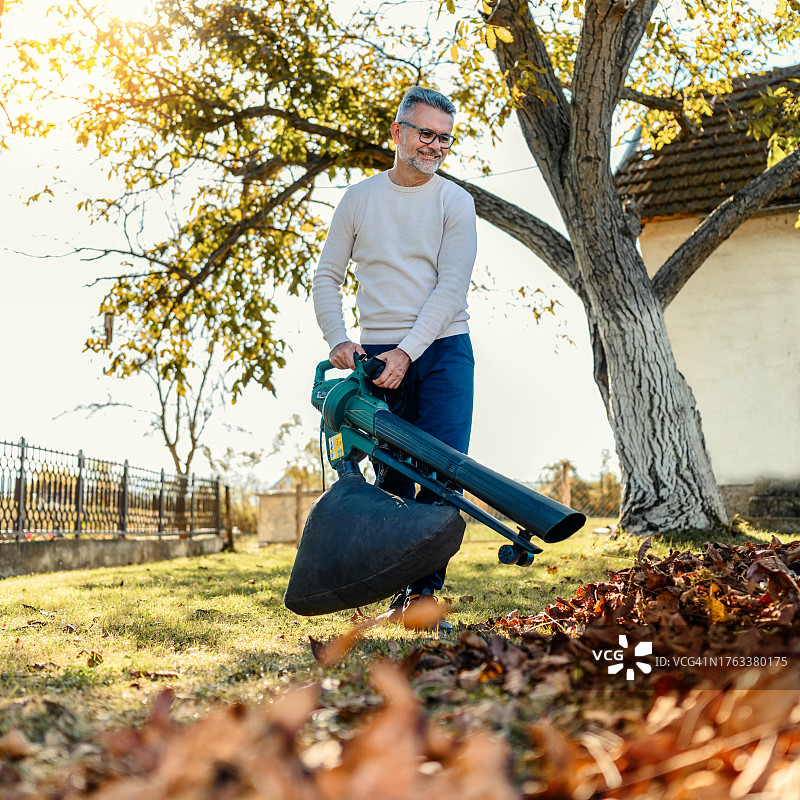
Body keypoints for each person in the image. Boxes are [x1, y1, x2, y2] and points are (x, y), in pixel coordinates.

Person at [311, 85, 477, 629]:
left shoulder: (456, 202)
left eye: (444, 139)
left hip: (443, 351)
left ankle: (424, 603)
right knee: (392, 478)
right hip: (375, 356)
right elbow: (327, 277)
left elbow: (451, 288)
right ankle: (395, 597)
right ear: (397, 132)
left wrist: (409, 352)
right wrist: (339, 339)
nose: (433, 145)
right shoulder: (359, 200)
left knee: (442, 474)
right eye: (425, 133)